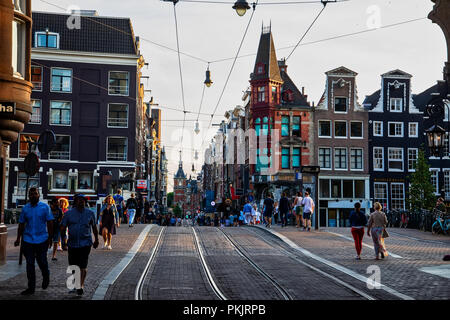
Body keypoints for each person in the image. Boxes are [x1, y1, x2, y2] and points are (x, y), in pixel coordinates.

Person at [14, 188, 54, 296]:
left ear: (39, 195)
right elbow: (21, 224)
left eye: (35, 193)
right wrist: (18, 238)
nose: (33, 195)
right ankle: (31, 288)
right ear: (28, 196)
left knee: (42, 261)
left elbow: (50, 223)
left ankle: (46, 275)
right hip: (28, 240)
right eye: (31, 194)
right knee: (30, 264)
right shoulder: (25, 209)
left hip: (42, 239)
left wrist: (50, 238)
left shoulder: (45, 207)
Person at [60, 194, 99, 295]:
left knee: (83, 265)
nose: (81, 201)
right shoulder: (68, 214)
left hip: (85, 243)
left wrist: (96, 240)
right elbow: (63, 228)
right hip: (72, 244)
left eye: (83, 200)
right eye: (79, 200)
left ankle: (80, 285)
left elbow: (94, 227)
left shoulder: (90, 213)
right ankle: (76, 283)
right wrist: (63, 241)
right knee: (73, 266)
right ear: (75, 201)